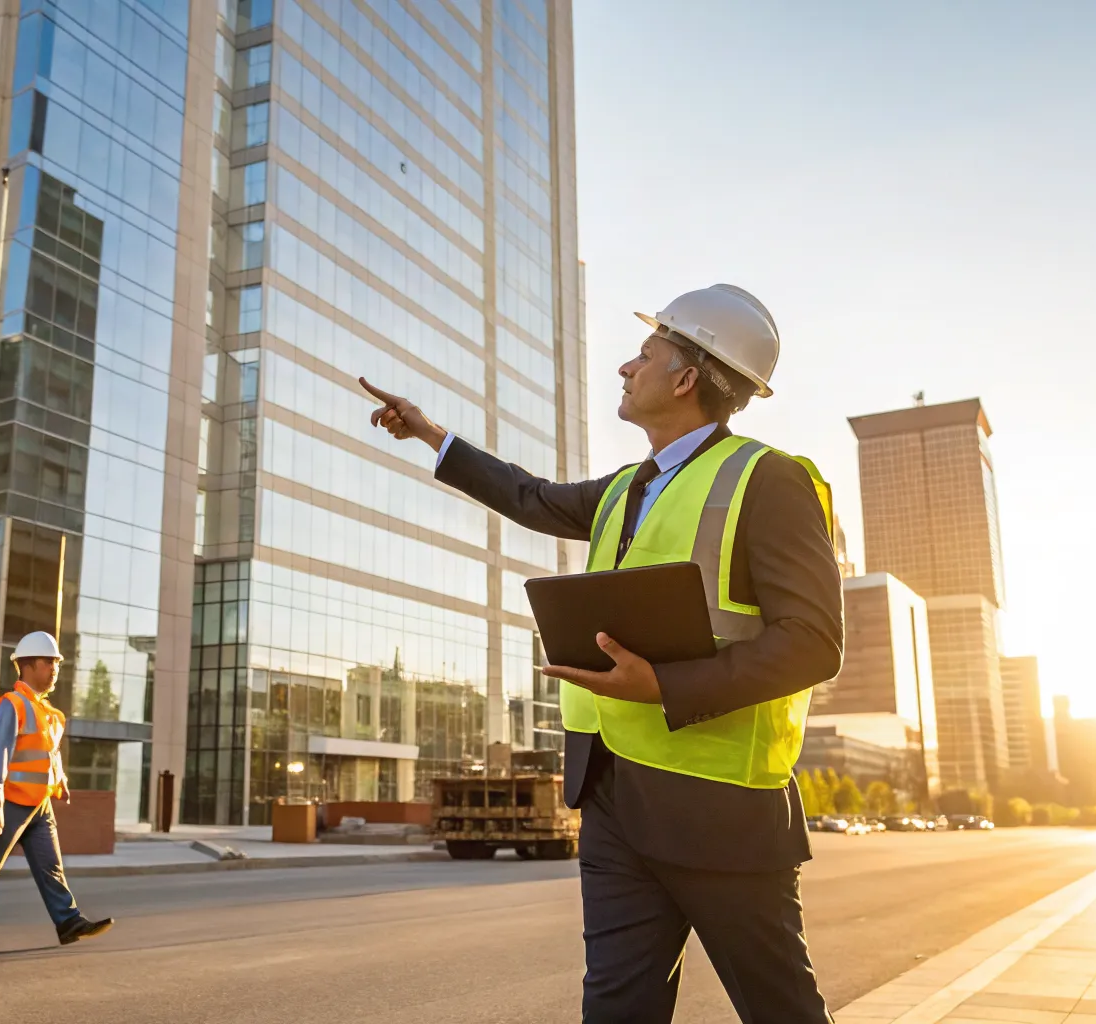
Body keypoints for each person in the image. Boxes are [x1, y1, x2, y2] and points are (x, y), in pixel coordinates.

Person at [359, 284, 843, 1023]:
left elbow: (813, 644)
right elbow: (530, 496)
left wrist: (665, 686)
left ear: (686, 379)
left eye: (644, 355)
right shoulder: (626, 488)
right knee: (616, 1009)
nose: (625, 367)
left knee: (781, 1010)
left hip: (720, 807)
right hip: (614, 794)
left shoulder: (770, 480)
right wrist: (432, 436)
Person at [0, 630, 114, 957]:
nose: (54, 668)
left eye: (56, 663)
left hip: (39, 805)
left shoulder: (48, 712)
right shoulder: (13, 704)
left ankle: (68, 921)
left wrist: (60, 778)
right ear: (28, 665)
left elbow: (49, 752)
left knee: (52, 868)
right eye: (48, 662)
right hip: (10, 803)